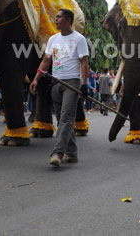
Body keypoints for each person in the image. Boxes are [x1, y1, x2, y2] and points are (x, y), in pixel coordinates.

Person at [30, 9, 88, 168]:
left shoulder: (79, 39)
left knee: (66, 118)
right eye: (55, 17)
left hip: (72, 83)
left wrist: (84, 84)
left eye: (59, 17)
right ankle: (72, 153)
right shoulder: (53, 39)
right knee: (63, 120)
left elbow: (84, 62)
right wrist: (36, 79)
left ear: (68, 20)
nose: (55, 20)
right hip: (56, 83)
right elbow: (45, 61)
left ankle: (57, 153)